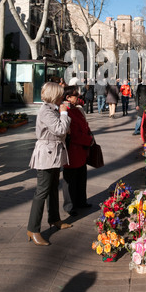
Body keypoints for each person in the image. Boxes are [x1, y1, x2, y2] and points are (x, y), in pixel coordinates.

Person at [27, 82, 72, 246]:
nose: (63, 97)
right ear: (55, 95)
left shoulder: (52, 109)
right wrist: (65, 114)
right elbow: (60, 129)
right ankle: (33, 229)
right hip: (47, 154)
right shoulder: (47, 110)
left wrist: (63, 114)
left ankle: (54, 219)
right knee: (42, 191)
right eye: (61, 94)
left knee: (53, 187)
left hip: (54, 153)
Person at [62, 86, 94, 217]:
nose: (78, 96)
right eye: (75, 95)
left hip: (81, 148)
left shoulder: (76, 109)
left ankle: (81, 201)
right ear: (68, 97)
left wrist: (89, 136)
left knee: (81, 176)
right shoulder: (66, 110)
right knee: (70, 179)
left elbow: (84, 125)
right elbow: (73, 133)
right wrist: (88, 140)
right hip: (72, 149)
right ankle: (70, 205)